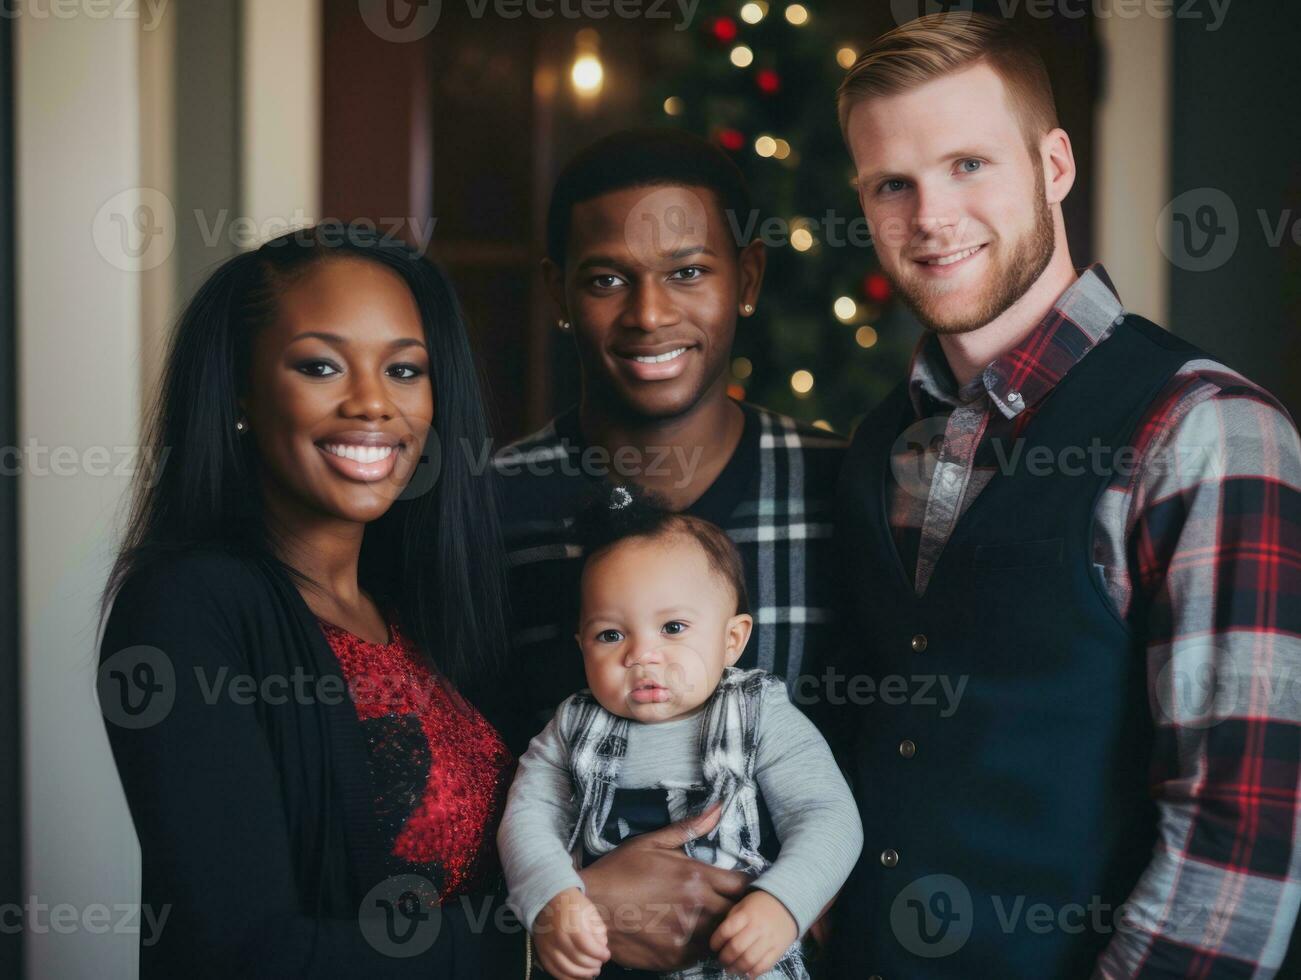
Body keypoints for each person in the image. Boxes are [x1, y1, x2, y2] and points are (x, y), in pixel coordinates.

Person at [828, 13, 1301, 979]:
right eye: (892, 184)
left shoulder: (1206, 431)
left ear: (1052, 164)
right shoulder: (882, 441)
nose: (930, 217)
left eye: (968, 164)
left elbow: (1238, 836)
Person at [96, 225, 524, 977]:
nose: (372, 404)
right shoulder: (183, 609)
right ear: (241, 392)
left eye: (404, 369)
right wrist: (530, 947)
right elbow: (243, 957)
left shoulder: (420, 609)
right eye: (321, 365)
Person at [492, 128, 848, 971]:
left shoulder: (842, 491)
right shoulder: (487, 505)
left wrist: (805, 892)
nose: (649, 315)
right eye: (607, 279)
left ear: (747, 278)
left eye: (688, 272)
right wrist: (562, 902)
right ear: (559, 293)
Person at [497, 486, 861, 980]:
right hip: (605, 955)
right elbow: (528, 817)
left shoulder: (759, 713)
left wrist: (784, 902)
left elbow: (827, 814)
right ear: (582, 646)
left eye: (672, 628)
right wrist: (552, 898)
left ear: (731, 639)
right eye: (611, 635)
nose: (642, 655)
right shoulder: (571, 727)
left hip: (732, 957)